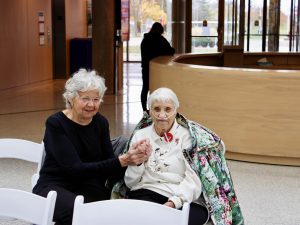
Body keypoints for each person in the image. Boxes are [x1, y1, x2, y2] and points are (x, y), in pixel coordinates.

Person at [32, 69, 150, 225]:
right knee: (79, 213)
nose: (91, 104)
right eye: (85, 98)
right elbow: (73, 169)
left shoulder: (100, 122)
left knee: (98, 214)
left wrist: (135, 157)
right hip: (56, 184)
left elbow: (110, 165)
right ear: (71, 98)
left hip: (90, 185)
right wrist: (121, 161)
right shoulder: (56, 123)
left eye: (96, 99)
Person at [121, 87, 244, 225]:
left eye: (167, 109)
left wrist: (173, 203)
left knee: (176, 219)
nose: (162, 115)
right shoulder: (141, 136)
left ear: (175, 110)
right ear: (149, 111)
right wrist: (139, 162)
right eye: (157, 109)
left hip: (183, 199)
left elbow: (194, 180)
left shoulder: (189, 138)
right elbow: (130, 183)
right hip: (146, 192)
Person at [140, 22, 175, 112]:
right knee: (157, 89)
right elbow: (170, 51)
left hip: (146, 68)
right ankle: (155, 108)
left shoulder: (145, 40)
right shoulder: (161, 40)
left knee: (145, 88)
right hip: (158, 70)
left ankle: (144, 109)